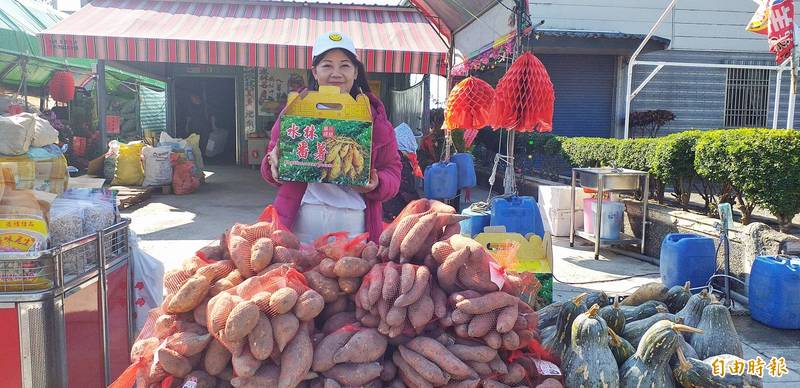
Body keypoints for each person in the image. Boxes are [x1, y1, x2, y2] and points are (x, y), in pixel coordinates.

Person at [262, 32, 402, 244]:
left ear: (356, 72)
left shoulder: (376, 120)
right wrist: (273, 164)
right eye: (327, 65)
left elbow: (393, 170)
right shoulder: (296, 112)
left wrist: (377, 183)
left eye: (345, 65)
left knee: (349, 274)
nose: (336, 73)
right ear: (315, 72)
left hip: (355, 228)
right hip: (300, 225)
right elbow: (271, 163)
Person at [383, 123, 422, 221]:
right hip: (395, 213)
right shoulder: (399, 161)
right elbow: (406, 190)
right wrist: (421, 205)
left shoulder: (387, 156)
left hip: (385, 209)